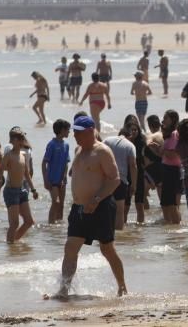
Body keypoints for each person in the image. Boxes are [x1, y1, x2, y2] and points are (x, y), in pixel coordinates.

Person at [52, 115, 126, 299]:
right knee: (70, 247)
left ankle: (122, 287)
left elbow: (115, 180)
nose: (75, 135)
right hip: (79, 208)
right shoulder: (78, 149)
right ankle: (64, 290)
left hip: (100, 206)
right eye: (74, 132)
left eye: (78, 132)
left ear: (90, 131)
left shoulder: (102, 151)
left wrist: (96, 199)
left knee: (107, 249)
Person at [0, 127, 39, 243]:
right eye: (20, 138)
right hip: (11, 190)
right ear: (13, 140)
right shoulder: (8, 152)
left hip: (22, 189)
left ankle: (14, 241)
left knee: (29, 221)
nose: (23, 140)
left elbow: (27, 174)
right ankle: (10, 247)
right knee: (14, 223)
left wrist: (33, 189)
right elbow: (0, 171)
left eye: (23, 138)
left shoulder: (24, 154)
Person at [103, 126, 137, 231]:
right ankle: (118, 235)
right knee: (119, 211)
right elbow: (133, 165)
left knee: (104, 208)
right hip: (120, 181)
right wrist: (133, 185)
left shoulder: (107, 140)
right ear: (129, 136)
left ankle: (104, 232)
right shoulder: (130, 145)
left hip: (105, 179)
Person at [42, 120, 71, 224]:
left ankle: (58, 227)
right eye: (68, 130)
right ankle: (50, 224)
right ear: (62, 130)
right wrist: (45, 180)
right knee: (56, 202)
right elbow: (44, 163)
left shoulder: (66, 145)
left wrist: (64, 177)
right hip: (52, 180)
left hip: (62, 180)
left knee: (61, 204)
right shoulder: (52, 144)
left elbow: (67, 163)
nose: (69, 132)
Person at [158, 109, 184, 225]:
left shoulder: (174, 134)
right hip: (167, 169)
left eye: (166, 118)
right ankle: (170, 229)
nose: (163, 120)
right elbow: (164, 153)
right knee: (165, 203)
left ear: (173, 120)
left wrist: (162, 150)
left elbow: (175, 154)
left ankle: (176, 227)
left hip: (173, 170)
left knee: (172, 204)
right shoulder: (168, 133)